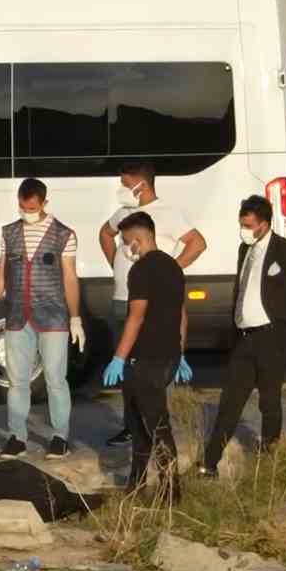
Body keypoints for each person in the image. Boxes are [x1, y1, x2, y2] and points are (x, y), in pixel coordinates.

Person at [199, 195, 286, 477]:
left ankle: (269, 457)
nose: (244, 230)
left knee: (269, 401)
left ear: (264, 224)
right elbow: (242, 290)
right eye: (242, 224)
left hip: (272, 338)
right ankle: (209, 464)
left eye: (249, 225)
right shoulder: (244, 250)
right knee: (230, 402)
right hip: (244, 338)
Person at [98, 162, 205, 447]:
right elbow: (104, 234)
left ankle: (158, 427)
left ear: (141, 185)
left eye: (124, 183)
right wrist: (115, 264)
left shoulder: (167, 213)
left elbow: (198, 243)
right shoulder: (123, 214)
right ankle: (131, 426)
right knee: (128, 374)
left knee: (153, 369)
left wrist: (171, 268)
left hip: (150, 306)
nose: (120, 189)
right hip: (122, 300)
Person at [0, 178, 81, 461]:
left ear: (44, 203)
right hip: (18, 316)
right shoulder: (9, 232)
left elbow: (69, 276)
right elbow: (0, 271)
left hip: (53, 316)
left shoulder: (64, 234)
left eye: (31, 207)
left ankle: (60, 437)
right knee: (17, 380)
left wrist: (75, 317)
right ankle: (17, 437)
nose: (26, 211)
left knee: (56, 379)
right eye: (22, 206)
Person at [102, 211, 188, 495]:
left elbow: (135, 317)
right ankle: (136, 485)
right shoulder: (174, 267)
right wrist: (181, 352)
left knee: (155, 426)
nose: (126, 249)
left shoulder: (140, 271)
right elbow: (182, 314)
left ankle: (171, 490)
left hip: (146, 359)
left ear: (138, 239)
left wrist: (119, 357)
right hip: (168, 355)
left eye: (127, 242)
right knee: (139, 425)